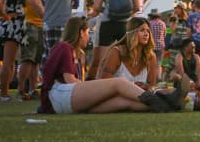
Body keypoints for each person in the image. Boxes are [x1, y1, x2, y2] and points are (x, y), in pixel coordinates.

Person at [39, 16, 186, 114]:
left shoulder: (79, 54)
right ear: (80, 32)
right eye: (87, 32)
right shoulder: (64, 47)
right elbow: (71, 81)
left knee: (125, 103)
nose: (87, 36)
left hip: (67, 101)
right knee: (120, 83)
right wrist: (91, 90)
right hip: (58, 96)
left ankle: (170, 105)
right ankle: (162, 99)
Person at [90, 0, 131, 77]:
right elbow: (137, 6)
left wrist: (105, 9)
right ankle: (125, 82)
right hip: (125, 25)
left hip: (107, 24)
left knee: (104, 58)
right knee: (124, 55)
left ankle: (101, 84)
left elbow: (97, 7)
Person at [18, 0, 51, 99]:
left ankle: (32, 89)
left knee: (36, 59)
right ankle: (21, 90)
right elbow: (32, 2)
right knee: (28, 58)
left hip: (40, 24)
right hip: (30, 24)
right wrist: (47, 16)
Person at [98, 17, 159, 91]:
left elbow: (152, 86)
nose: (146, 34)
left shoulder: (150, 56)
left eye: (148, 31)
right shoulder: (117, 52)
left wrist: (146, 87)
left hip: (140, 99)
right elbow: (103, 84)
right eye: (142, 30)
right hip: (117, 98)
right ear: (132, 33)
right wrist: (130, 86)